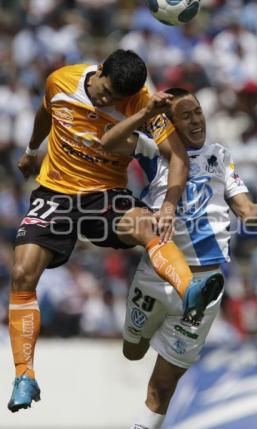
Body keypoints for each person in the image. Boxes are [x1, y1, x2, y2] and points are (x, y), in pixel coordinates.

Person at [8, 50, 222, 413]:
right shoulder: (60, 82)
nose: (109, 101)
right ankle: (24, 375)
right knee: (22, 272)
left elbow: (177, 157)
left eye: (118, 98)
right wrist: (32, 150)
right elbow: (45, 112)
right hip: (56, 192)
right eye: (107, 91)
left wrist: (168, 204)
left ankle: (190, 291)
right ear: (100, 70)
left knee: (147, 224)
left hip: (104, 194)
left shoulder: (141, 99)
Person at [98, 87, 257, 429]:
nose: (196, 120)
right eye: (185, 116)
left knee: (163, 386)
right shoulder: (156, 152)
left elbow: (249, 214)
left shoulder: (220, 156)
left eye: (197, 111)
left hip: (204, 288)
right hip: (157, 277)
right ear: (169, 123)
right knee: (133, 352)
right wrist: (145, 115)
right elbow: (108, 142)